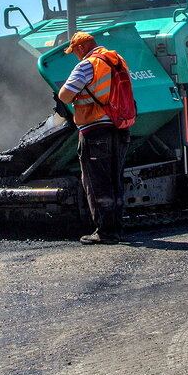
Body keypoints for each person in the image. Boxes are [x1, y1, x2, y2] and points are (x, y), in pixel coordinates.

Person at [57, 31, 131, 244]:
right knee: (115, 180)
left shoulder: (88, 64)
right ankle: (116, 228)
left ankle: (105, 233)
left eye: (75, 52)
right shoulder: (118, 61)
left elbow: (65, 95)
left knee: (97, 182)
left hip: (96, 129)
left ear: (81, 47)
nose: (76, 56)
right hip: (121, 127)